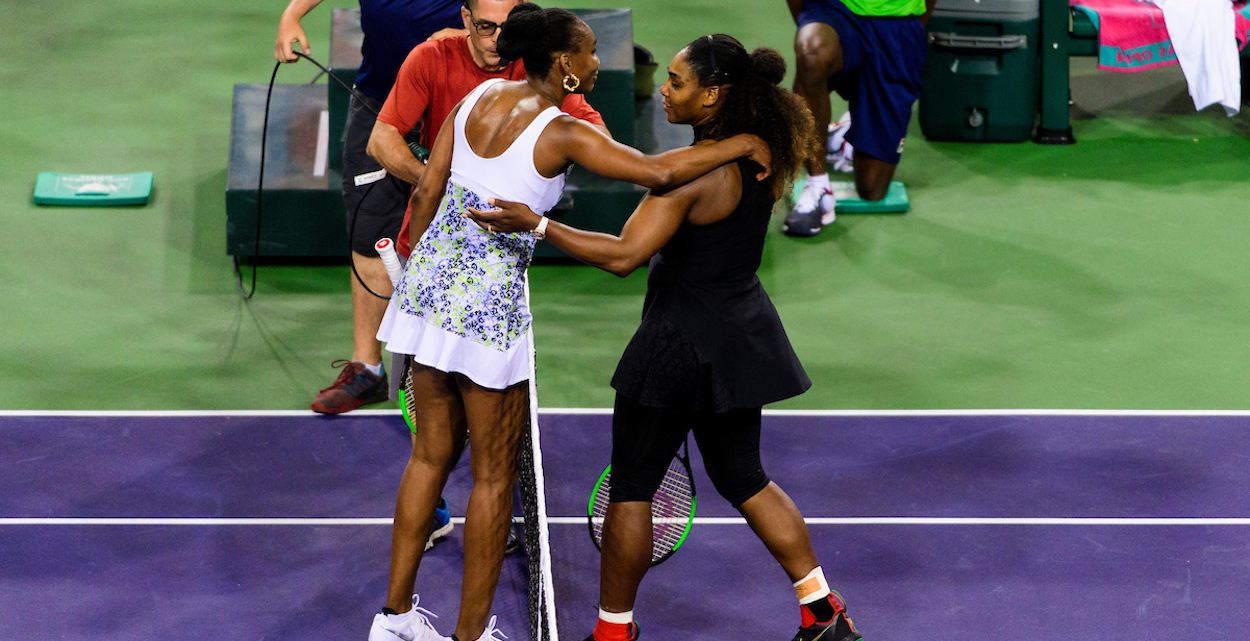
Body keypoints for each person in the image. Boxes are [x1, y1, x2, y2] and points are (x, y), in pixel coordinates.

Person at [366, 6, 772, 641]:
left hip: (426, 295)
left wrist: (425, 271)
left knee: (428, 458)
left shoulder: (474, 98)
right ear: (564, 66)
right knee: (495, 479)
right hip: (487, 312)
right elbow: (660, 172)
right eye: (587, 53)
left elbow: (426, 192)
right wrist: (744, 143)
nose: (597, 61)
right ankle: (470, 638)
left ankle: (391, 622)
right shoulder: (561, 133)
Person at [468, 35, 862, 641]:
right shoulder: (763, 159)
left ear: (713, 96)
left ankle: (612, 632)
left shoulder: (691, 178)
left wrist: (539, 224)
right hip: (738, 338)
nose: (668, 91)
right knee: (744, 477)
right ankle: (822, 611)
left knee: (632, 486)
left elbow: (625, 255)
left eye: (679, 83)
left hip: (677, 345)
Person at [275, 0, 465, 414]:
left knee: (461, 239)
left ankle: (457, 370)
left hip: (455, 105)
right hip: (378, 100)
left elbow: (516, 15)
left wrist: (468, 37)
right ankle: (368, 369)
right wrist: (292, 14)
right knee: (370, 232)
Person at [367, 0, 608, 262]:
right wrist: (440, 183)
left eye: (506, 28)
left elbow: (599, 138)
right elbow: (380, 139)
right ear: (466, 18)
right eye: (485, 27)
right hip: (428, 236)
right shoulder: (430, 57)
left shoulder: (539, 70)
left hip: (502, 252)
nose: (496, 39)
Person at [781, 0, 935, 237]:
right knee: (812, 54)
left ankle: (842, 139)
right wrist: (809, 53)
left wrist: (907, 40)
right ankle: (818, 186)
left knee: (872, 189)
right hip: (834, 10)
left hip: (898, 26)